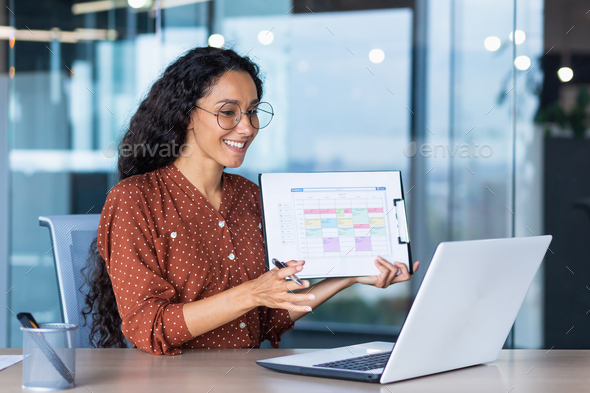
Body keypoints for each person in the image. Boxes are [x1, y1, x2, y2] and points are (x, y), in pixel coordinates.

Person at [84, 46, 419, 355]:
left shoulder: (249, 197)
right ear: (186, 114)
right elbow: (149, 329)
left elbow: (268, 317)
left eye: (252, 111)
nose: (246, 127)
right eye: (228, 112)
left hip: (249, 378)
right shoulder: (134, 200)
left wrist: (351, 274)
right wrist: (252, 292)